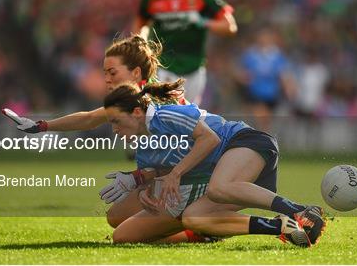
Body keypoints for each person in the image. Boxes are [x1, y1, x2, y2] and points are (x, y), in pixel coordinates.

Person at [3, 35, 208, 244]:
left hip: (192, 179)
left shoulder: (153, 103)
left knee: (126, 235)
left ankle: (200, 226)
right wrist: (42, 126)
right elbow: (90, 118)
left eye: (112, 72)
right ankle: (192, 230)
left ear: (135, 73)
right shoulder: (139, 97)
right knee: (116, 217)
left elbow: (180, 156)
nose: (107, 79)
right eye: (105, 73)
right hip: (176, 177)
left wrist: (140, 178)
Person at [102, 79, 326, 246]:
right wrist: (145, 191)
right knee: (124, 236)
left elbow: (210, 139)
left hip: (246, 144)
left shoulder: (165, 115)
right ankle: (281, 227)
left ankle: (301, 211)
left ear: (137, 112)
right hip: (221, 176)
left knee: (218, 188)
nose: (114, 129)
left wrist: (175, 174)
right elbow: (160, 173)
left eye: (117, 121)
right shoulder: (142, 150)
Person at [132, 0, 237, 105]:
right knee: (164, 112)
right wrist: (141, 56)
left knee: (187, 120)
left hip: (193, 68)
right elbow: (138, 28)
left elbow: (230, 27)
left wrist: (203, 22)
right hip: (161, 66)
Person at [236, 29, 297, 132]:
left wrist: (289, 87)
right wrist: (244, 78)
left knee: (266, 120)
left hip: (272, 93)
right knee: (261, 116)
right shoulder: (251, 54)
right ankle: (262, 136)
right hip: (256, 91)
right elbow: (242, 71)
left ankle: (264, 136)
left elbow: (283, 73)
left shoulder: (277, 55)